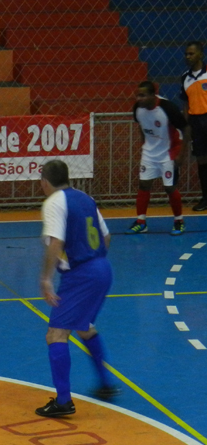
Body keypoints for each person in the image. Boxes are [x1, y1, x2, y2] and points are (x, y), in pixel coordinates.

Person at [36, 160, 119, 418]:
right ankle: (105, 384)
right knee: (84, 326)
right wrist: (94, 261)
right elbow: (106, 236)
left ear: (45, 182)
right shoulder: (85, 198)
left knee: (56, 334)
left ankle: (63, 401)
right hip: (102, 268)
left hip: (81, 274)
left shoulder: (53, 202)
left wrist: (46, 278)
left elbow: (56, 242)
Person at [127, 80, 188, 235]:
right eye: (137, 95)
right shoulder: (137, 109)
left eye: (142, 95)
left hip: (169, 151)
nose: (139, 99)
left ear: (153, 95)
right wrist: (145, 145)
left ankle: (179, 221)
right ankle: (141, 222)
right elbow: (142, 126)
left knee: (169, 187)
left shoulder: (167, 108)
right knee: (144, 184)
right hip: (149, 153)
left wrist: (181, 154)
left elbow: (186, 128)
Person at [182, 41, 207, 211]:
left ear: (201, 55)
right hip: (196, 123)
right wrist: (186, 126)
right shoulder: (185, 77)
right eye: (186, 54)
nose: (188, 56)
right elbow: (185, 104)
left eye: (191, 53)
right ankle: (205, 198)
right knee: (202, 160)